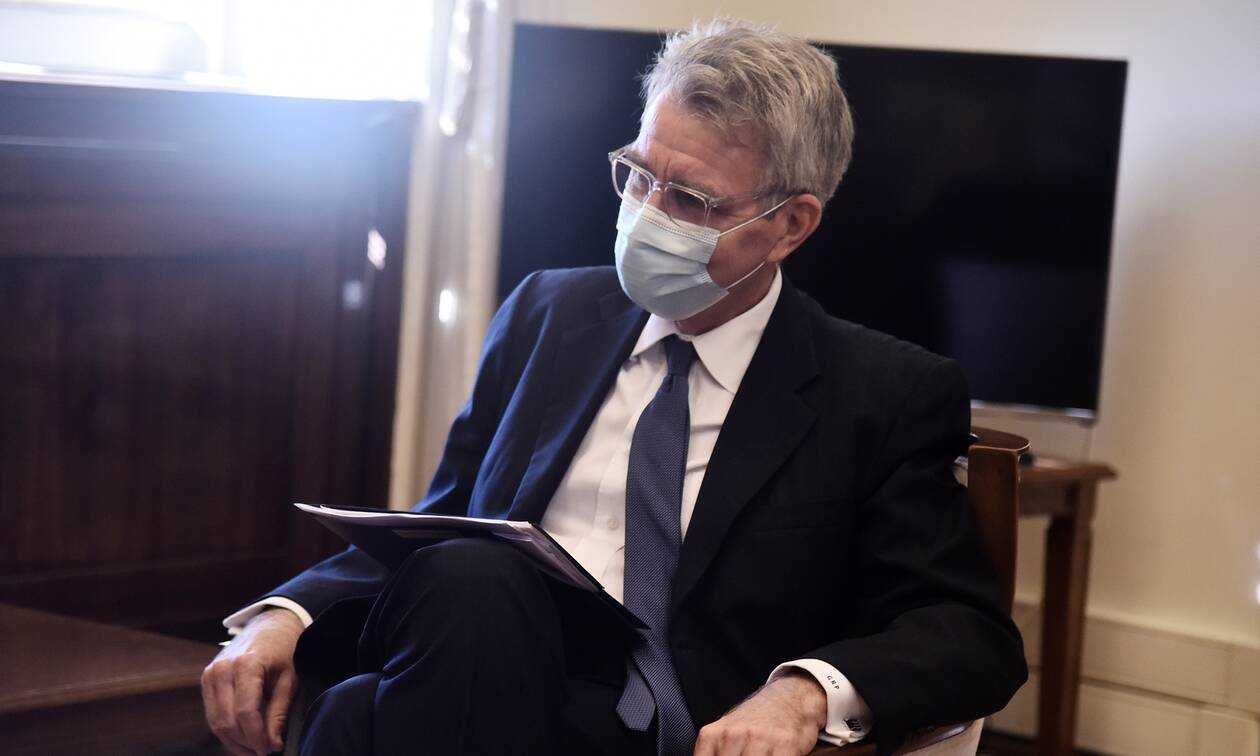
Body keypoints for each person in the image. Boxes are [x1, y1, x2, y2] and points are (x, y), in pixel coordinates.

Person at [201, 18, 1027, 756]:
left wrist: (802, 692)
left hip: (671, 720)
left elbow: (966, 631)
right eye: (637, 175)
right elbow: (442, 519)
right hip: (484, 660)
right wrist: (287, 613)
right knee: (468, 581)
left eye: (692, 200)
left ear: (791, 224)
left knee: (359, 715)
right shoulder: (548, 314)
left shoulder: (884, 392)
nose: (649, 213)